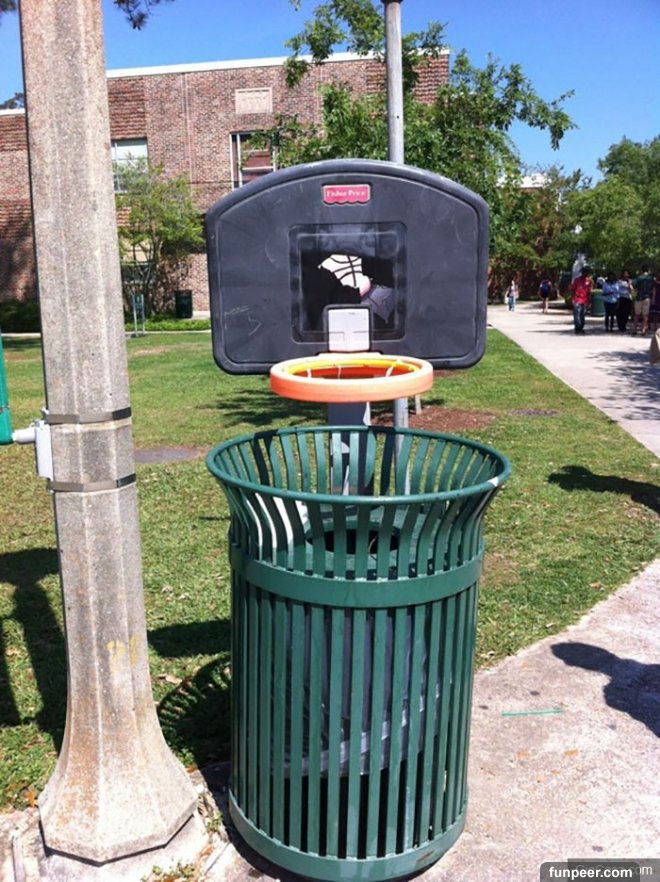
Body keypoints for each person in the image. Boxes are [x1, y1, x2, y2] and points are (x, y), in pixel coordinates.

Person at [570, 266, 592, 334]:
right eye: (585, 272)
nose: (586, 274)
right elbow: (573, 289)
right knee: (577, 314)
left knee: (583, 315)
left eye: (587, 272)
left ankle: (581, 327)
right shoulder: (577, 280)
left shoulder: (589, 281)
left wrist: (590, 301)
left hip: (585, 300)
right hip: (577, 299)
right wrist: (572, 299)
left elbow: (589, 292)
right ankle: (577, 327)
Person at [632, 265, 653, 336]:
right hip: (647, 297)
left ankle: (634, 329)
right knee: (645, 315)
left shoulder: (639, 278)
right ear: (648, 270)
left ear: (641, 270)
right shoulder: (650, 278)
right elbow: (652, 289)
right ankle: (643, 330)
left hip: (639, 297)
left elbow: (634, 286)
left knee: (637, 314)